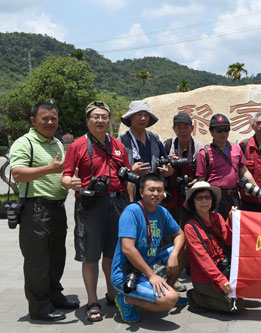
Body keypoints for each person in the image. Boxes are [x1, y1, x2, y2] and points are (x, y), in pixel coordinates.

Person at [62, 101, 131, 322]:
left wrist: (130, 205)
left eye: (104, 116)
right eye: (96, 117)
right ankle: (92, 301)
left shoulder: (118, 145)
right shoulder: (78, 146)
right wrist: (70, 183)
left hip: (117, 203)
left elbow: (127, 176)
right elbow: (66, 174)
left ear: (109, 120)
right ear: (87, 120)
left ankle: (112, 294)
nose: (100, 120)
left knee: (112, 253)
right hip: (90, 205)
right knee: (90, 255)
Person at [10, 102, 78, 321]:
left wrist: (69, 182)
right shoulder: (25, 143)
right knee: (38, 260)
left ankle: (54, 297)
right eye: (45, 118)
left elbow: (62, 173)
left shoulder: (57, 142)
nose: (50, 122)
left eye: (54, 118)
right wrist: (48, 169)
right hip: (35, 209)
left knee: (57, 257)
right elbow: (18, 174)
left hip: (57, 209)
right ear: (33, 120)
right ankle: (39, 309)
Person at [111, 173, 187, 323]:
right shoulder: (131, 211)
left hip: (150, 263)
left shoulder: (161, 211)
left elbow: (179, 234)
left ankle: (168, 287)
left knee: (184, 250)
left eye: (159, 190)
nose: (156, 194)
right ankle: (126, 300)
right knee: (169, 301)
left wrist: (174, 256)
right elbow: (127, 249)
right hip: (126, 273)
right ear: (141, 192)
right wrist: (151, 275)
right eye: (151, 190)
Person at [183, 181, 244, 313]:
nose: (204, 201)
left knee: (244, 295)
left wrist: (232, 219)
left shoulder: (217, 217)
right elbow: (203, 259)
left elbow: (228, 240)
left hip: (224, 268)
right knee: (234, 307)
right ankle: (196, 296)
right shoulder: (190, 227)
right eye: (199, 198)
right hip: (205, 278)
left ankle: (216, 296)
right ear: (193, 202)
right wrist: (221, 281)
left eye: (207, 197)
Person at [196, 113, 261, 219]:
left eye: (226, 129)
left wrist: (258, 191)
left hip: (234, 197)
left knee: (234, 229)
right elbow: (201, 181)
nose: (223, 133)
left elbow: (244, 171)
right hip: (215, 198)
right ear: (211, 132)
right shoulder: (204, 153)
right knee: (216, 229)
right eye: (219, 130)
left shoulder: (236, 148)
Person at [118, 100, 171, 202]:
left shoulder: (155, 139)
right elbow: (116, 170)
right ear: (130, 117)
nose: (143, 118)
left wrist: (168, 171)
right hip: (131, 194)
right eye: (139, 114)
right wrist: (131, 171)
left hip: (153, 193)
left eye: (146, 115)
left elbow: (167, 165)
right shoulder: (121, 141)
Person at [163, 112, 204, 227]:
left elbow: (205, 171)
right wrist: (169, 165)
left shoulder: (199, 148)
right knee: (170, 229)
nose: (182, 131)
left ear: (192, 128)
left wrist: (197, 180)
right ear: (173, 129)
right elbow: (159, 169)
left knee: (191, 227)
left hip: (191, 196)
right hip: (171, 197)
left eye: (186, 127)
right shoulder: (167, 145)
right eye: (179, 127)